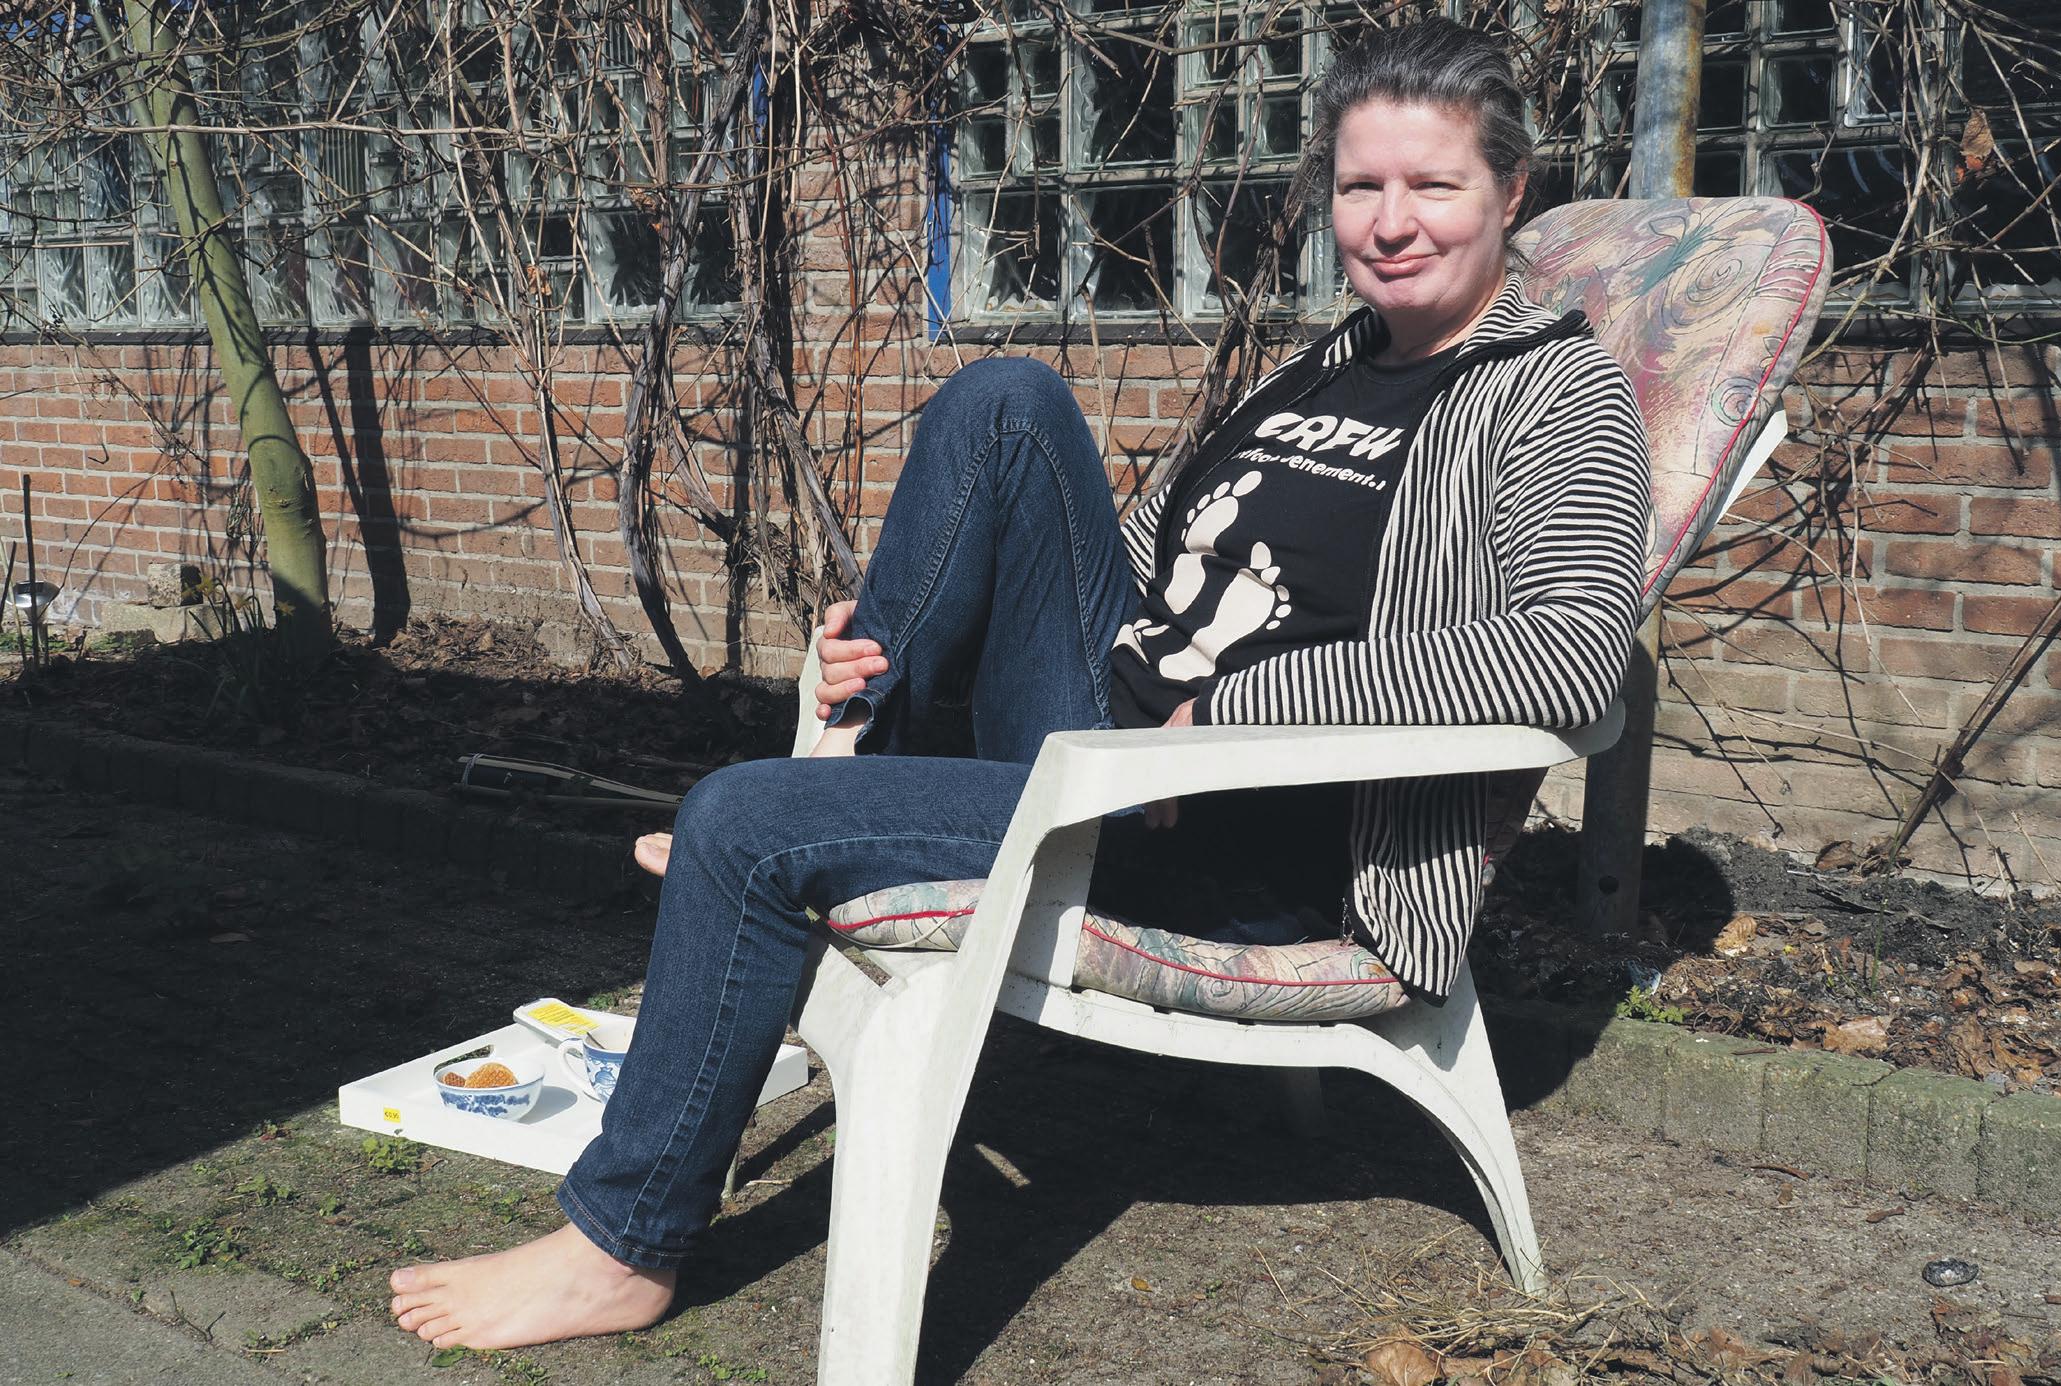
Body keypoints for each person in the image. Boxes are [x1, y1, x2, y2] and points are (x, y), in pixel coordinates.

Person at [388, 15, 1652, 1351]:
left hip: (1235, 835)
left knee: (738, 823)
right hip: (1103, 752)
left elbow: (1575, 653)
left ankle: (624, 1241)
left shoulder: (1558, 395)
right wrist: (870, 649)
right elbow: (1147, 559)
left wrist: (1241, 706)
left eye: (1432, 185)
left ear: (1510, 191)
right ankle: (850, 758)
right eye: (1359, 186)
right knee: (1004, 400)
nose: (1390, 223)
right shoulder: (1325, 367)